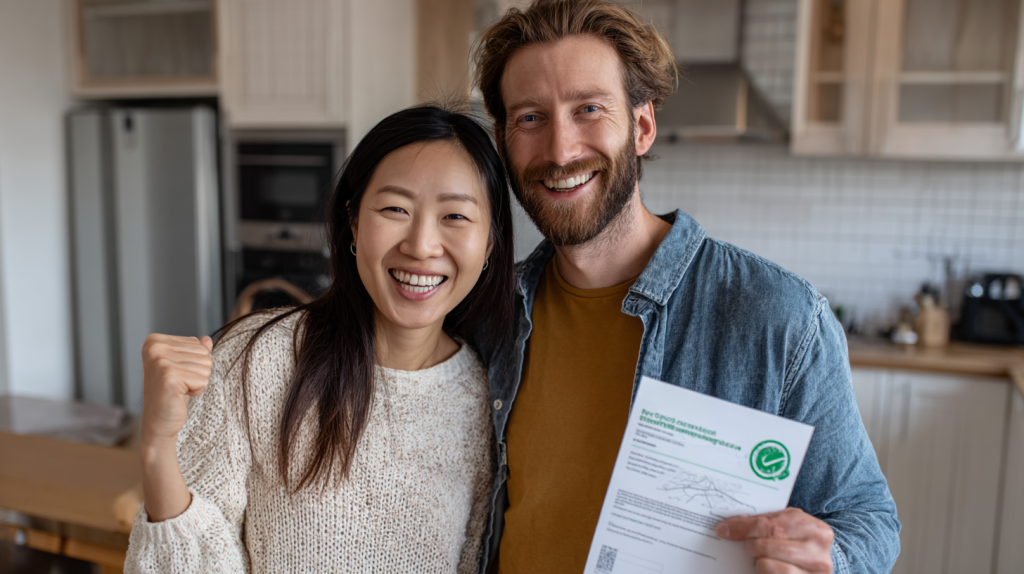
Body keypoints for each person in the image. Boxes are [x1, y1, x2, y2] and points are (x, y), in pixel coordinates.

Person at [469, 1, 900, 573]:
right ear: (502, 140)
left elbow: (869, 521)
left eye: (589, 109)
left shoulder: (781, 318)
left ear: (643, 125)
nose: (560, 150)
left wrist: (829, 559)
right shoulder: (489, 313)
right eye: (530, 118)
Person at [124, 106, 516, 573]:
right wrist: (156, 447)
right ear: (353, 222)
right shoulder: (258, 359)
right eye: (396, 209)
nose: (422, 245)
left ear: (490, 242)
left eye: (455, 215)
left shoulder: (486, 398)